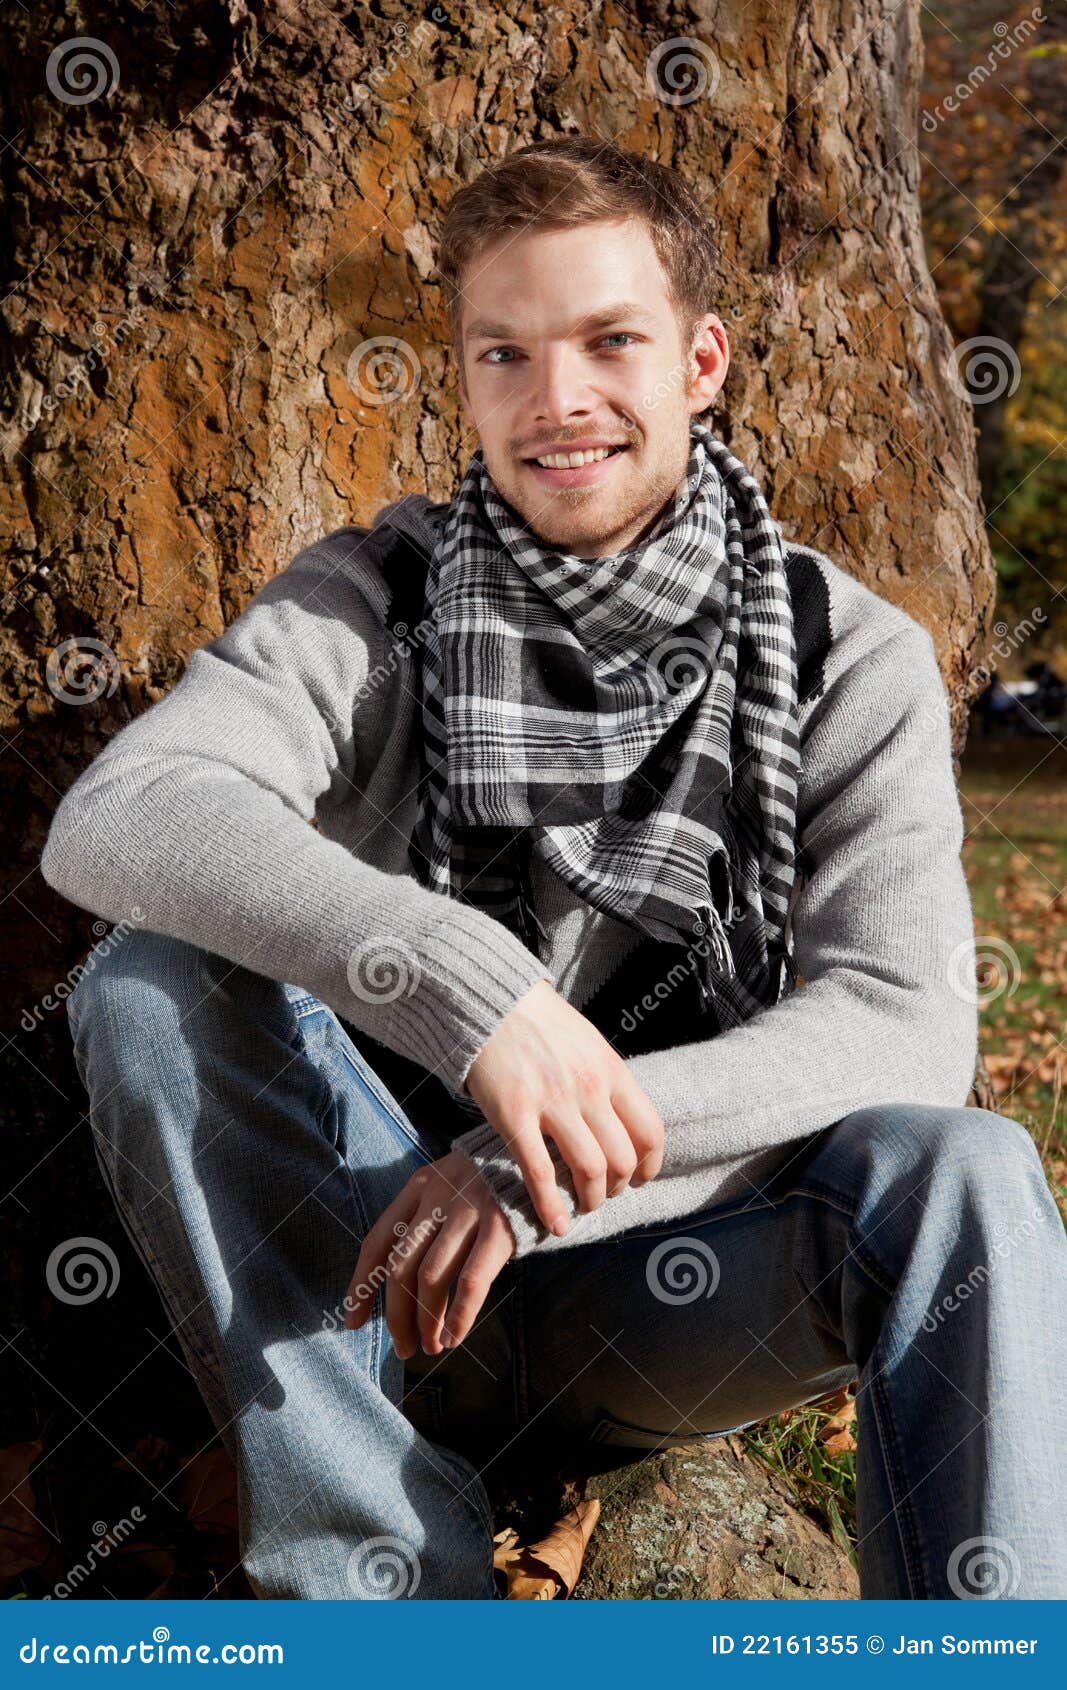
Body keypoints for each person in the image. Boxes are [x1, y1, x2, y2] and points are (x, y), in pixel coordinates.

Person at [42, 137, 1066, 1601]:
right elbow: (120, 812)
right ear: (461, 377)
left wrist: (536, 1165)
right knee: (149, 981)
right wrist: (477, 995)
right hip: (361, 1287)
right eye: (504, 352)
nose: (557, 399)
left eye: (609, 341)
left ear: (702, 360)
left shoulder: (849, 658)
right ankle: (386, 1595)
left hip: (661, 1286)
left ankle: (987, 1647)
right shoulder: (375, 596)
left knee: (969, 1169)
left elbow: (906, 1020)